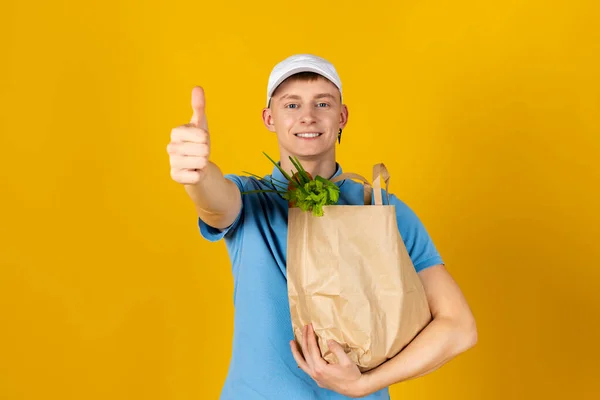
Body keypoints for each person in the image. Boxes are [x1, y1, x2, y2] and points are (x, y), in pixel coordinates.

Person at [167, 54, 477, 399]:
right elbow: (215, 203)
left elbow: (458, 327)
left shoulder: (383, 210)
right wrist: (196, 174)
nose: (307, 116)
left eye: (323, 103)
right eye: (291, 104)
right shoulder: (250, 198)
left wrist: (365, 384)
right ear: (269, 119)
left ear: (341, 116)